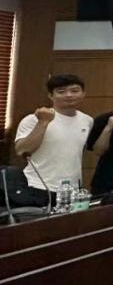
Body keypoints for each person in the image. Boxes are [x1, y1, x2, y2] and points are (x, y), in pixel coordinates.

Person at [13, 74, 93, 207]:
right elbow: (22, 150)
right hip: (38, 186)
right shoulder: (33, 119)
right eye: (61, 92)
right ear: (51, 96)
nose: (69, 95)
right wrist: (43, 123)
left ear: (83, 94)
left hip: (72, 190)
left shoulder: (87, 120)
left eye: (74, 91)